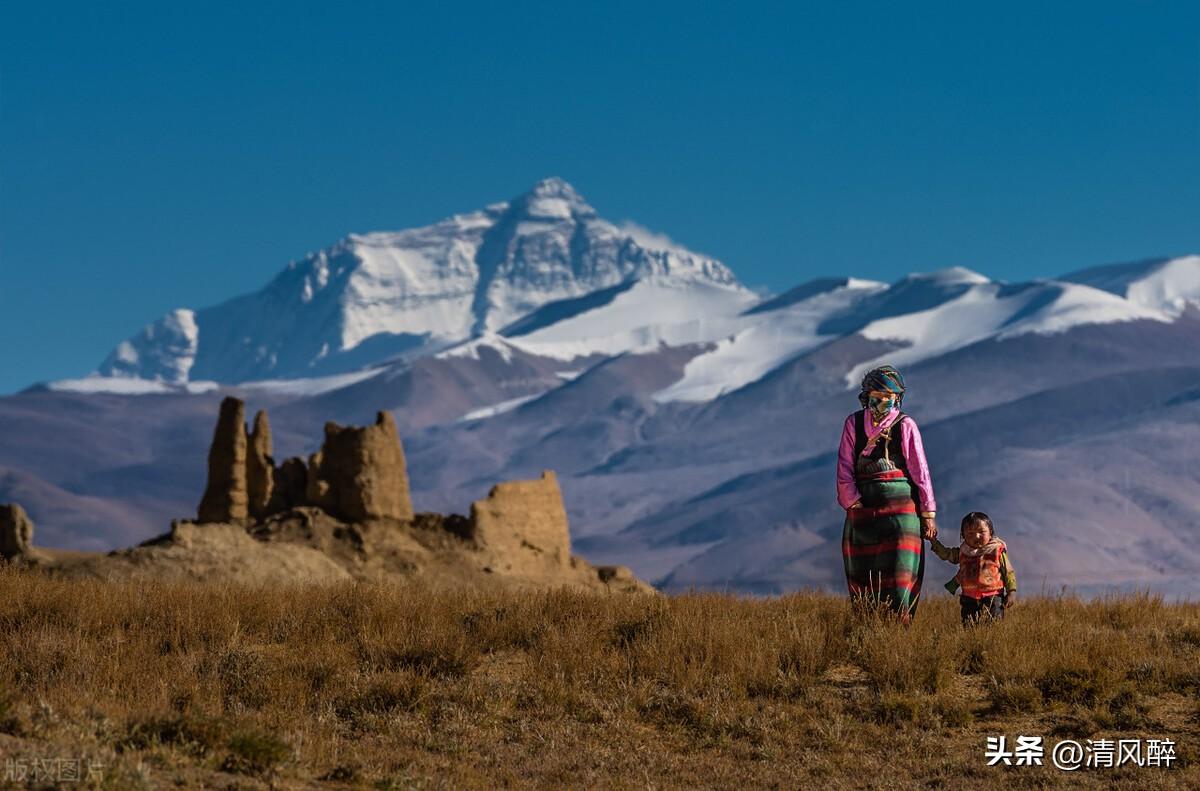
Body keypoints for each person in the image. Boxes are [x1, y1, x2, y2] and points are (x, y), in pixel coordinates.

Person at [837, 365, 938, 623]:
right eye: (875, 397)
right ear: (865, 396)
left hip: (901, 515)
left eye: (887, 397)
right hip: (862, 512)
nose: (880, 402)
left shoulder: (906, 425)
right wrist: (854, 504)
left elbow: (920, 471)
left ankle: (896, 633)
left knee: (899, 575)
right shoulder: (853, 424)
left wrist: (927, 514)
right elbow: (845, 467)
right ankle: (867, 629)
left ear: (897, 398)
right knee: (863, 575)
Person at [929, 511, 1017, 625]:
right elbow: (946, 554)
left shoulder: (996, 550)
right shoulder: (963, 551)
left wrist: (1011, 592)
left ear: (990, 532)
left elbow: (1008, 572)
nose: (976, 536)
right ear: (963, 535)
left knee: (994, 625)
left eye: (981, 532)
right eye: (970, 533)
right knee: (969, 626)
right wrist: (933, 541)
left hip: (993, 596)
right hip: (969, 598)